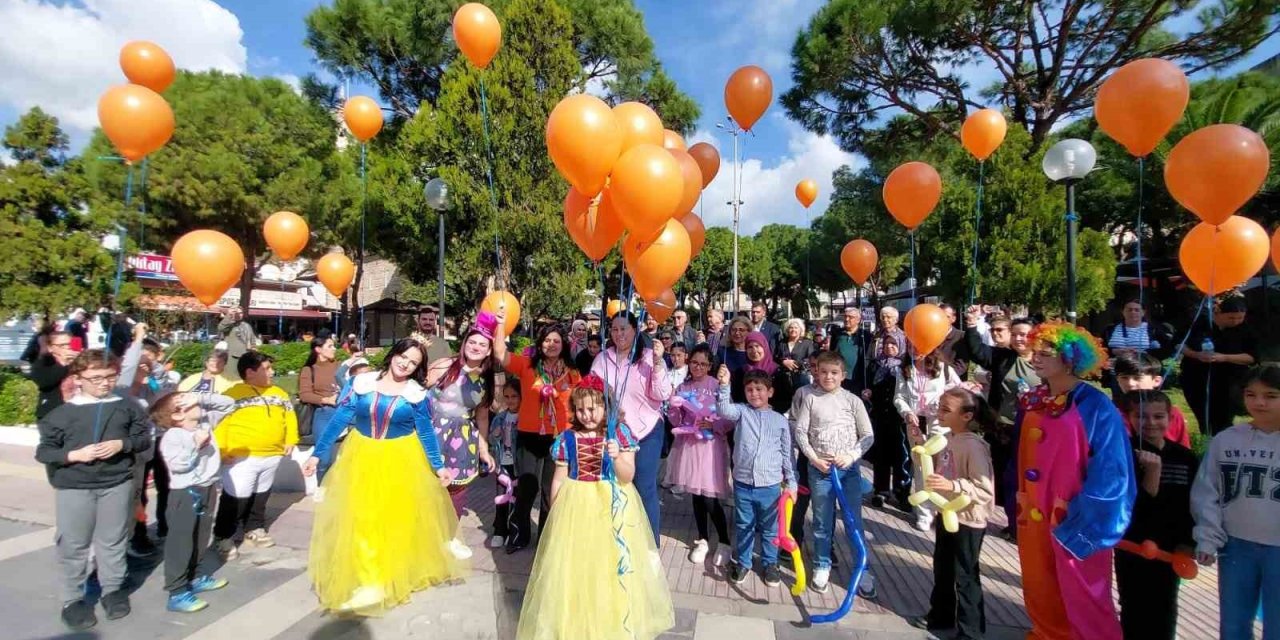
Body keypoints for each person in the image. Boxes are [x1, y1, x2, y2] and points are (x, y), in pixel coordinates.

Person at [302, 338, 467, 614]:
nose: (406, 364)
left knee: (390, 520)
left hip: (400, 460)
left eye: (413, 362)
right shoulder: (361, 383)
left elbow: (425, 433)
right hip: (362, 456)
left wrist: (438, 466)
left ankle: (381, 578)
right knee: (361, 517)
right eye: (404, 356)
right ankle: (368, 577)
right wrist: (317, 453)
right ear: (394, 354)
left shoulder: (416, 394)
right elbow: (340, 419)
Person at [515, 374, 674, 639]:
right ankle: (576, 618)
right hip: (576, 504)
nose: (587, 415)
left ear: (606, 407)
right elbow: (558, 479)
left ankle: (610, 617)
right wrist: (555, 513)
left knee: (609, 561)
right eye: (581, 409)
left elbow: (627, 476)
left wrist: (616, 457)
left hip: (612, 502)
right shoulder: (567, 439)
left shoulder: (620, 434)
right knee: (576, 563)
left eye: (593, 408)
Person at [1014, 322, 1134, 640]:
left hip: (1075, 522)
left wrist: (1087, 523)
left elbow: (1113, 473)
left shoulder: (1096, 407)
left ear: (1070, 357)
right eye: (1034, 352)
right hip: (1033, 517)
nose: (1035, 358)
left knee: (1085, 600)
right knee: (1040, 591)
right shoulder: (1034, 401)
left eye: (1046, 353)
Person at [35, 349, 151, 630]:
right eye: (96, 377)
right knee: (73, 543)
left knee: (112, 540)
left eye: (110, 376)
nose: (104, 382)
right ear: (77, 378)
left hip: (116, 482)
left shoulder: (128, 406)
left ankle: (112, 589)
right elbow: (45, 452)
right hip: (74, 486)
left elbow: (142, 438)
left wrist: (121, 445)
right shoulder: (60, 414)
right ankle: (72, 599)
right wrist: (74, 455)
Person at [1191, 364, 1280, 640]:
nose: (1259, 402)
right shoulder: (1227, 440)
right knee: (1233, 625)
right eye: (1251, 394)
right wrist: (1207, 538)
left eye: (1271, 395)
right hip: (1236, 547)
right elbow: (1207, 493)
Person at [909, 387, 995, 640]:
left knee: (965, 575)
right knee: (943, 570)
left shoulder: (974, 446)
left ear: (966, 415)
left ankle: (971, 631)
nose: (939, 413)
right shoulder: (948, 438)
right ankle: (941, 616)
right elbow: (932, 470)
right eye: (939, 407)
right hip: (947, 515)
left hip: (968, 520)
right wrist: (918, 444)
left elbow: (984, 489)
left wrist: (954, 486)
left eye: (946, 410)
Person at [1114, 390, 1197, 640]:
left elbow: (1194, 503)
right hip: (1133, 544)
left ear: (1170, 418)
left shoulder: (1185, 457)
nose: (1150, 423)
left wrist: (1189, 541)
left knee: (1166, 604)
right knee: (1133, 604)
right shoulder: (1124, 453)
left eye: (1158, 416)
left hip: (1170, 546)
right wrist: (1152, 472)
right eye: (1141, 416)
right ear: (1130, 418)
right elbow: (1135, 505)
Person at [493, 320, 582, 553]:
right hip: (529, 436)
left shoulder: (572, 374)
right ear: (540, 343)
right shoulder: (527, 367)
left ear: (563, 344)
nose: (551, 344)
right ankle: (520, 535)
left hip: (559, 438)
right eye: (546, 340)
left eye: (556, 340)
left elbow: (580, 403)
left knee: (550, 490)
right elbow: (500, 353)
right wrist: (501, 324)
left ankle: (546, 538)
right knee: (526, 488)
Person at [792, 350, 876, 596]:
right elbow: (801, 432)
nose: (828, 377)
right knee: (821, 521)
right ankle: (821, 564)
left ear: (843, 375)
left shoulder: (852, 401)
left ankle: (863, 569)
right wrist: (815, 459)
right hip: (820, 471)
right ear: (816, 372)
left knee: (853, 521)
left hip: (847, 471)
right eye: (823, 372)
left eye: (834, 373)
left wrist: (850, 456)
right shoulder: (810, 399)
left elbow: (867, 435)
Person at [149, 392, 236, 613]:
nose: (194, 403)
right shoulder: (173, 436)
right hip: (186, 493)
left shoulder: (205, 421)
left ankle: (196, 576)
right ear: (177, 415)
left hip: (207, 487)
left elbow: (229, 403)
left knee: (201, 536)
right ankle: (177, 592)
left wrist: (199, 397)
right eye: (184, 402)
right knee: (181, 542)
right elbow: (179, 465)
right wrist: (195, 445)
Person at [591, 311, 672, 544]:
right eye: (614, 329)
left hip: (647, 430)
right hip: (615, 432)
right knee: (615, 485)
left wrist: (658, 363)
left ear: (635, 330)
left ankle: (650, 546)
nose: (619, 334)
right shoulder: (602, 359)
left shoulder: (648, 357)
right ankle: (621, 540)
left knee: (644, 486)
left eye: (624, 328)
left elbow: (663, 393)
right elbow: (592, 394)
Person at [714, 365, 796, 587]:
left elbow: (787, 455)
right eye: (750, 390)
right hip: (743, 483)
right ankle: (743, 561)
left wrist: (791, 483)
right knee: (744, 524)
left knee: (770, 527)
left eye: (759, 389)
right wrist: (724, 385)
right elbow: (723, 410)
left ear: (770, 392)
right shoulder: (741, 411)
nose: (754, 393)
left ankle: (771, 563)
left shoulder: (780, 420)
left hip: (770, 485)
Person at [211, 351, 298, 560]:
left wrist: (291, 439)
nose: (272, 372)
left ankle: (254, 528)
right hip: (241, 457)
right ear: (250, 372)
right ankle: (224, 535)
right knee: (236, 497)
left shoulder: (279, 393)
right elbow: (220, 424)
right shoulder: (232, 394)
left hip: (272, 455)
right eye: (266, 368)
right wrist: (222, 450)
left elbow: (289, 417)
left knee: (261, 495)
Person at [963, 307, 1037, 539]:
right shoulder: (1003, 357)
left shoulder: (1046, 360)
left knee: (1031, 477)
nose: (1018, 338)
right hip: (1005, 427)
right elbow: (976, 351)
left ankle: (1029, 523)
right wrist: (972, 324)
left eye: (1023, 334)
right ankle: (1013, 524)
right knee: (1008, 477)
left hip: (1036, 430)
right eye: (1015, 334)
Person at [424, 313, 498, 524]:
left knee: (456, 487)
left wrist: (484, 450)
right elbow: (417, 392)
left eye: (482, 344)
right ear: (464, 343)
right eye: (472, 342)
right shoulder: (444, 365)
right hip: (431, 431)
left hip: (462, 437)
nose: (476, 347)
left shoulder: (485, 379)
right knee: (426, 481)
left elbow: (482, 417)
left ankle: (449, 532)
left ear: (489, 350)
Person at [665, 345, 733, 567]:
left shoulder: (717, 385)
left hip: (711, 447)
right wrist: (673, 405)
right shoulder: (683, 386)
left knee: (711, 498)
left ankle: (724, 541)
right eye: (694, 362)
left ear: (710, 366)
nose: (698, 367)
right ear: (688, 361)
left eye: (703, 363)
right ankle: (702, 539)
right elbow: (675, 420)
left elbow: (729, 417)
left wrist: (714, 425)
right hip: (689, 446)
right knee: (695, 495)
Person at [895, 346, 962, 531]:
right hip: (916, 425)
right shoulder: (904, 369)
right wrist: (907, 412)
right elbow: (899, 397)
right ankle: (924, 513)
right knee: (921, 468)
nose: (916, 350)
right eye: (912, 346)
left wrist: (942, 405)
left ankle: (943, 508)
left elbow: (958, 391)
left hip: (939, 424)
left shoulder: (943, 368)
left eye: (920, 345)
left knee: (943, 467)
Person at [1180, 296, 1257, 437]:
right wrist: (1196, 354)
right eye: (1231, 318)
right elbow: (1180, 345)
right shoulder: (1199, 323)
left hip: (1228, 381)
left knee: (1223, 418)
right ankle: (1207, 442)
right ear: (1218, 312)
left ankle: (1226, 443)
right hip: (1195, 378)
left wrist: (1224, 357)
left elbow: (1252, 357)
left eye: (1240, 318)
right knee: (1204, 416)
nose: (1236, 322)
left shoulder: (1245, 329)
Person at [866, 331, 910, 510]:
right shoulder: (877, 365)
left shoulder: (905, 368)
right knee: (881, 456)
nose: (889, 348)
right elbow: (870, 384)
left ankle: (901, 493)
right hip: (880, 416)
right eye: (886, 344)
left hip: (899, 418)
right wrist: (868, 392)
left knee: (901, 457)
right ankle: (881, 490)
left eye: (894, 345)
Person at [1112, 352, 1190, 448]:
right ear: (1117, 380)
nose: (1130, 383)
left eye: (1137, 378)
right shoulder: (1112, 413)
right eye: (1124, 378)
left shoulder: (1172, 413)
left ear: (1156, 381)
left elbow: (1184, 449)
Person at [487, 383, 520, 549]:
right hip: (503, 464)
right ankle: (500, 530)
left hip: (518, 465)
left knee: (516, 498)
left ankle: (514, 530)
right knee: (501, 498)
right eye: (506, 397)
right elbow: (492, 440)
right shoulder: (500, 417)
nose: (510, 400)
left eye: (514, 396)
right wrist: (495, 435)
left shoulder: (524, 417)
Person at [297, 335, 341, 447]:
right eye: (330, 346)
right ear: (318, 349)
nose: (334, 348)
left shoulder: (340, 366)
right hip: (324, 412)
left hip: (345, 412)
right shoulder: (309, 370)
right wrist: (326, 400)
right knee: (324, 456)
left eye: (334, 346)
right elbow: (305, 395)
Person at [30, 330, 76, 419]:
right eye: (62, 345)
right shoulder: (43, 363)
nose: (68, 348)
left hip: (77, 411)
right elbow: (44, 382)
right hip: (52, 412)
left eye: (70, 344)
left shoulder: (79, 361)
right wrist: (64, 363)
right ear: (50, 348)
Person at [829, 308, 872, 395]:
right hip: (839, 377)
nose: (846, 319)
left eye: (850, 317)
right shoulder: (837, 334)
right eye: (845, 317)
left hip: (858, 378)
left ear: (858, 320)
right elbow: (832, 353)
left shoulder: (865, 336)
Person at [776, 318, 816, 396]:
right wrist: (783, 361)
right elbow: (776, 357)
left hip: (801, 378)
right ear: (787, 330)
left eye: (796, 328)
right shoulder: (782, 343)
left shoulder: (807, 343)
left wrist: (794, 363)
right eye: (791, 327)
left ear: (800, 330)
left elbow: (810, 359)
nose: (793, 330)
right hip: (783, 379)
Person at [218, 308, 258, 382]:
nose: (239, 314)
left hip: (246, 356)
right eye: (236, 313)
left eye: (240, 313)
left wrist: (254, 347)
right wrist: (229, 315)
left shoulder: (247, 325)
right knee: (231, 377)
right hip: (232, 356)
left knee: (244, 377)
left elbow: (252, 338)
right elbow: (221, 328)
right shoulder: (229, 324)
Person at [936, 303, 969, 380]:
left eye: (947, 317)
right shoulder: (929, 336)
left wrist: (941, 376)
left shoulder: (961, 337)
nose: (943, 319)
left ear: (953, 319)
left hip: (952, 384)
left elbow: (961, 368)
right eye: (940, 316)